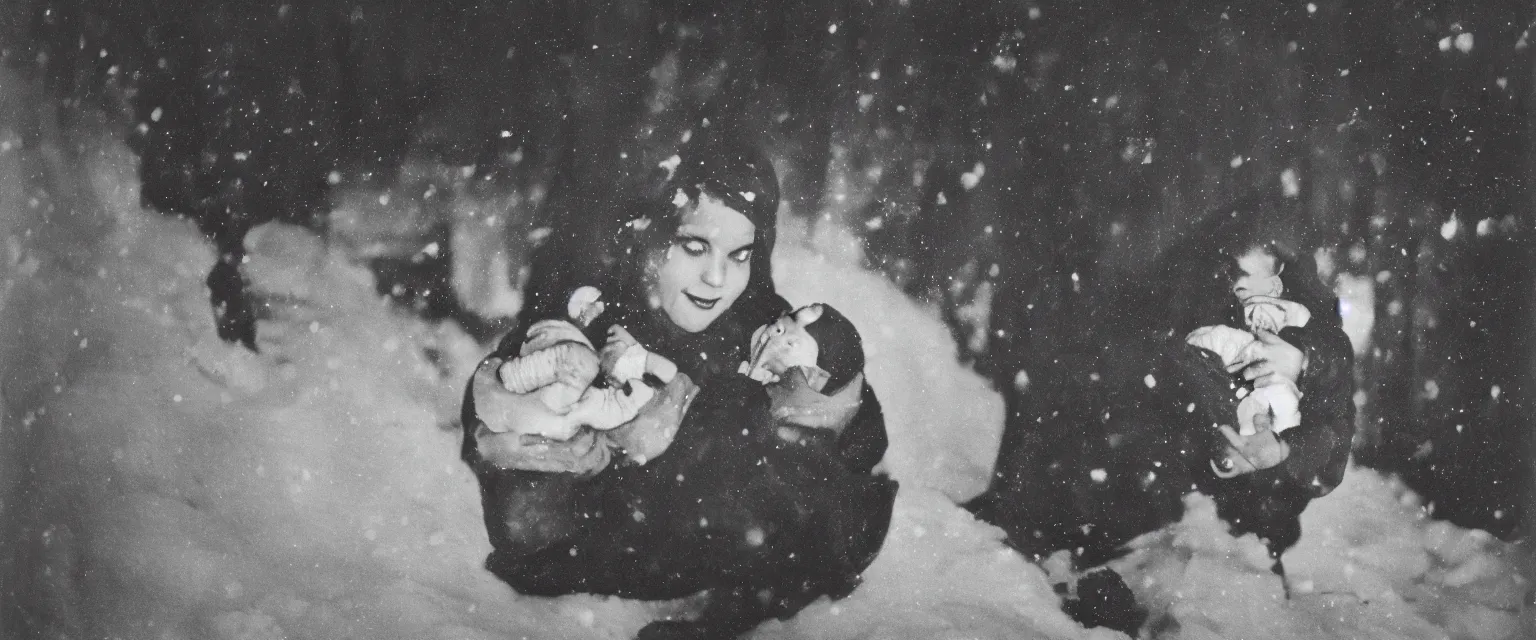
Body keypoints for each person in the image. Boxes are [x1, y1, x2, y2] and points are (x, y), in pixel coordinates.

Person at [460, 137, 894, 640]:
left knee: (812, 478)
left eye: (740, 255)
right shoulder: (597, 315)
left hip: (711, 556)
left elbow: (858, 441)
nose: (716, 277)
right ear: (649, 238)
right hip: (604, 549)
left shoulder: (758, 321)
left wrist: (817, 401)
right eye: (694, 247)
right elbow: (505, 439)